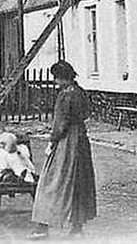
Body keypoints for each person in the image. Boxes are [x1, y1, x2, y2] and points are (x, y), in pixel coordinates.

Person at [29, 60, 97, 239]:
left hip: (67, 143)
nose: (56, 82)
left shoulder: (65, 95)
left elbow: (61, 123)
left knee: (52, 181)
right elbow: (86, 114)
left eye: (57, 78)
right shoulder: (81, 92)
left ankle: (42, 227)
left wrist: (52, 142)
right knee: (79, 183)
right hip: (81, 142)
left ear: (62, 77)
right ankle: (77, 229)